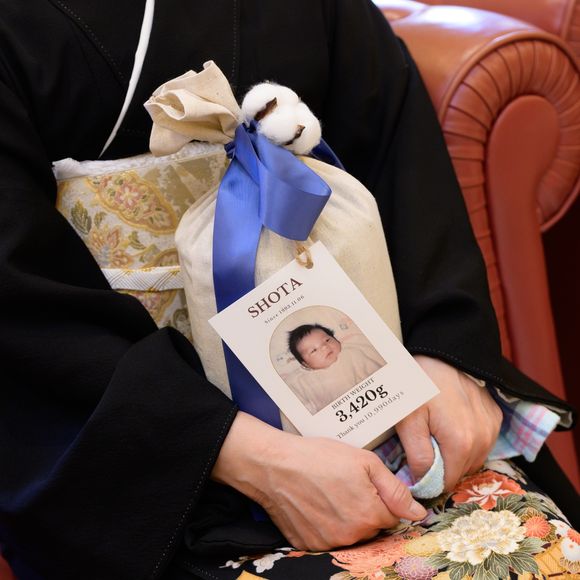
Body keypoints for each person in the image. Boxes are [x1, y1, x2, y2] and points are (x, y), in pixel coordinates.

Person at [0, 1, 577, 579]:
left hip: (386, 416)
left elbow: (399, 155)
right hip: (144, 456)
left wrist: (445, 351)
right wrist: (248, 456)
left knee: (537, 558)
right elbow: (22, 307)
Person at [286, 324, 385, 413]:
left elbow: (378, 373)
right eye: (313, 350)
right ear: (305, 364)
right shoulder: (303, 382)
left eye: (327, 340)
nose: (324, 347)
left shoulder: (351, 354)